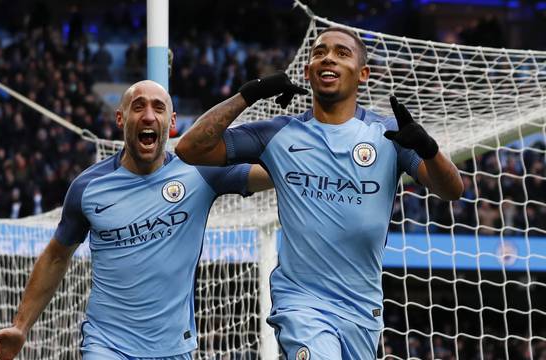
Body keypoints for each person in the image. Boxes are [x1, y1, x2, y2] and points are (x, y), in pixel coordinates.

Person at [175, 27, 464, 359]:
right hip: (302, 303)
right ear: (307, 70)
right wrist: (250, 93)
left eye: (342, 53)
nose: (328, 57)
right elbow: (190, 148)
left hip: (361, 307)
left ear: (363, 74)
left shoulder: (388, 135)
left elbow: (451, 190)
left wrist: (429, 150)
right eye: (319, 52)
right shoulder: (278, 133)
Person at [0, 80, 272, 360]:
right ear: (120, 119)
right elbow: (56, 257)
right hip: (106, 344)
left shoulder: (200, 172)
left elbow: (275, 175)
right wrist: (21, 326)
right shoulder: (88, 188)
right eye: (138, 107)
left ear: (171, 122)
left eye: (158, 108)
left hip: (174, 347)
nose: (148, 115)